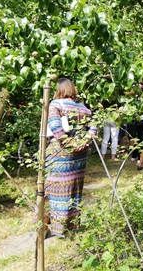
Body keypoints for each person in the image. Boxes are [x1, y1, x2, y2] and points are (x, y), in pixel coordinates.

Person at [42, 78, 97, 237]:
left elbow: (56, 129)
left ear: (59, 89)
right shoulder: (84, 108)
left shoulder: (55, 105)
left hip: (60, 155)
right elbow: (94, 127)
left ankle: (46, 229)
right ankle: (70, 227)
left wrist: (71, 144)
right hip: (80, 156)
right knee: (74, 190)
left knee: (50, 191)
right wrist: (83, 142)